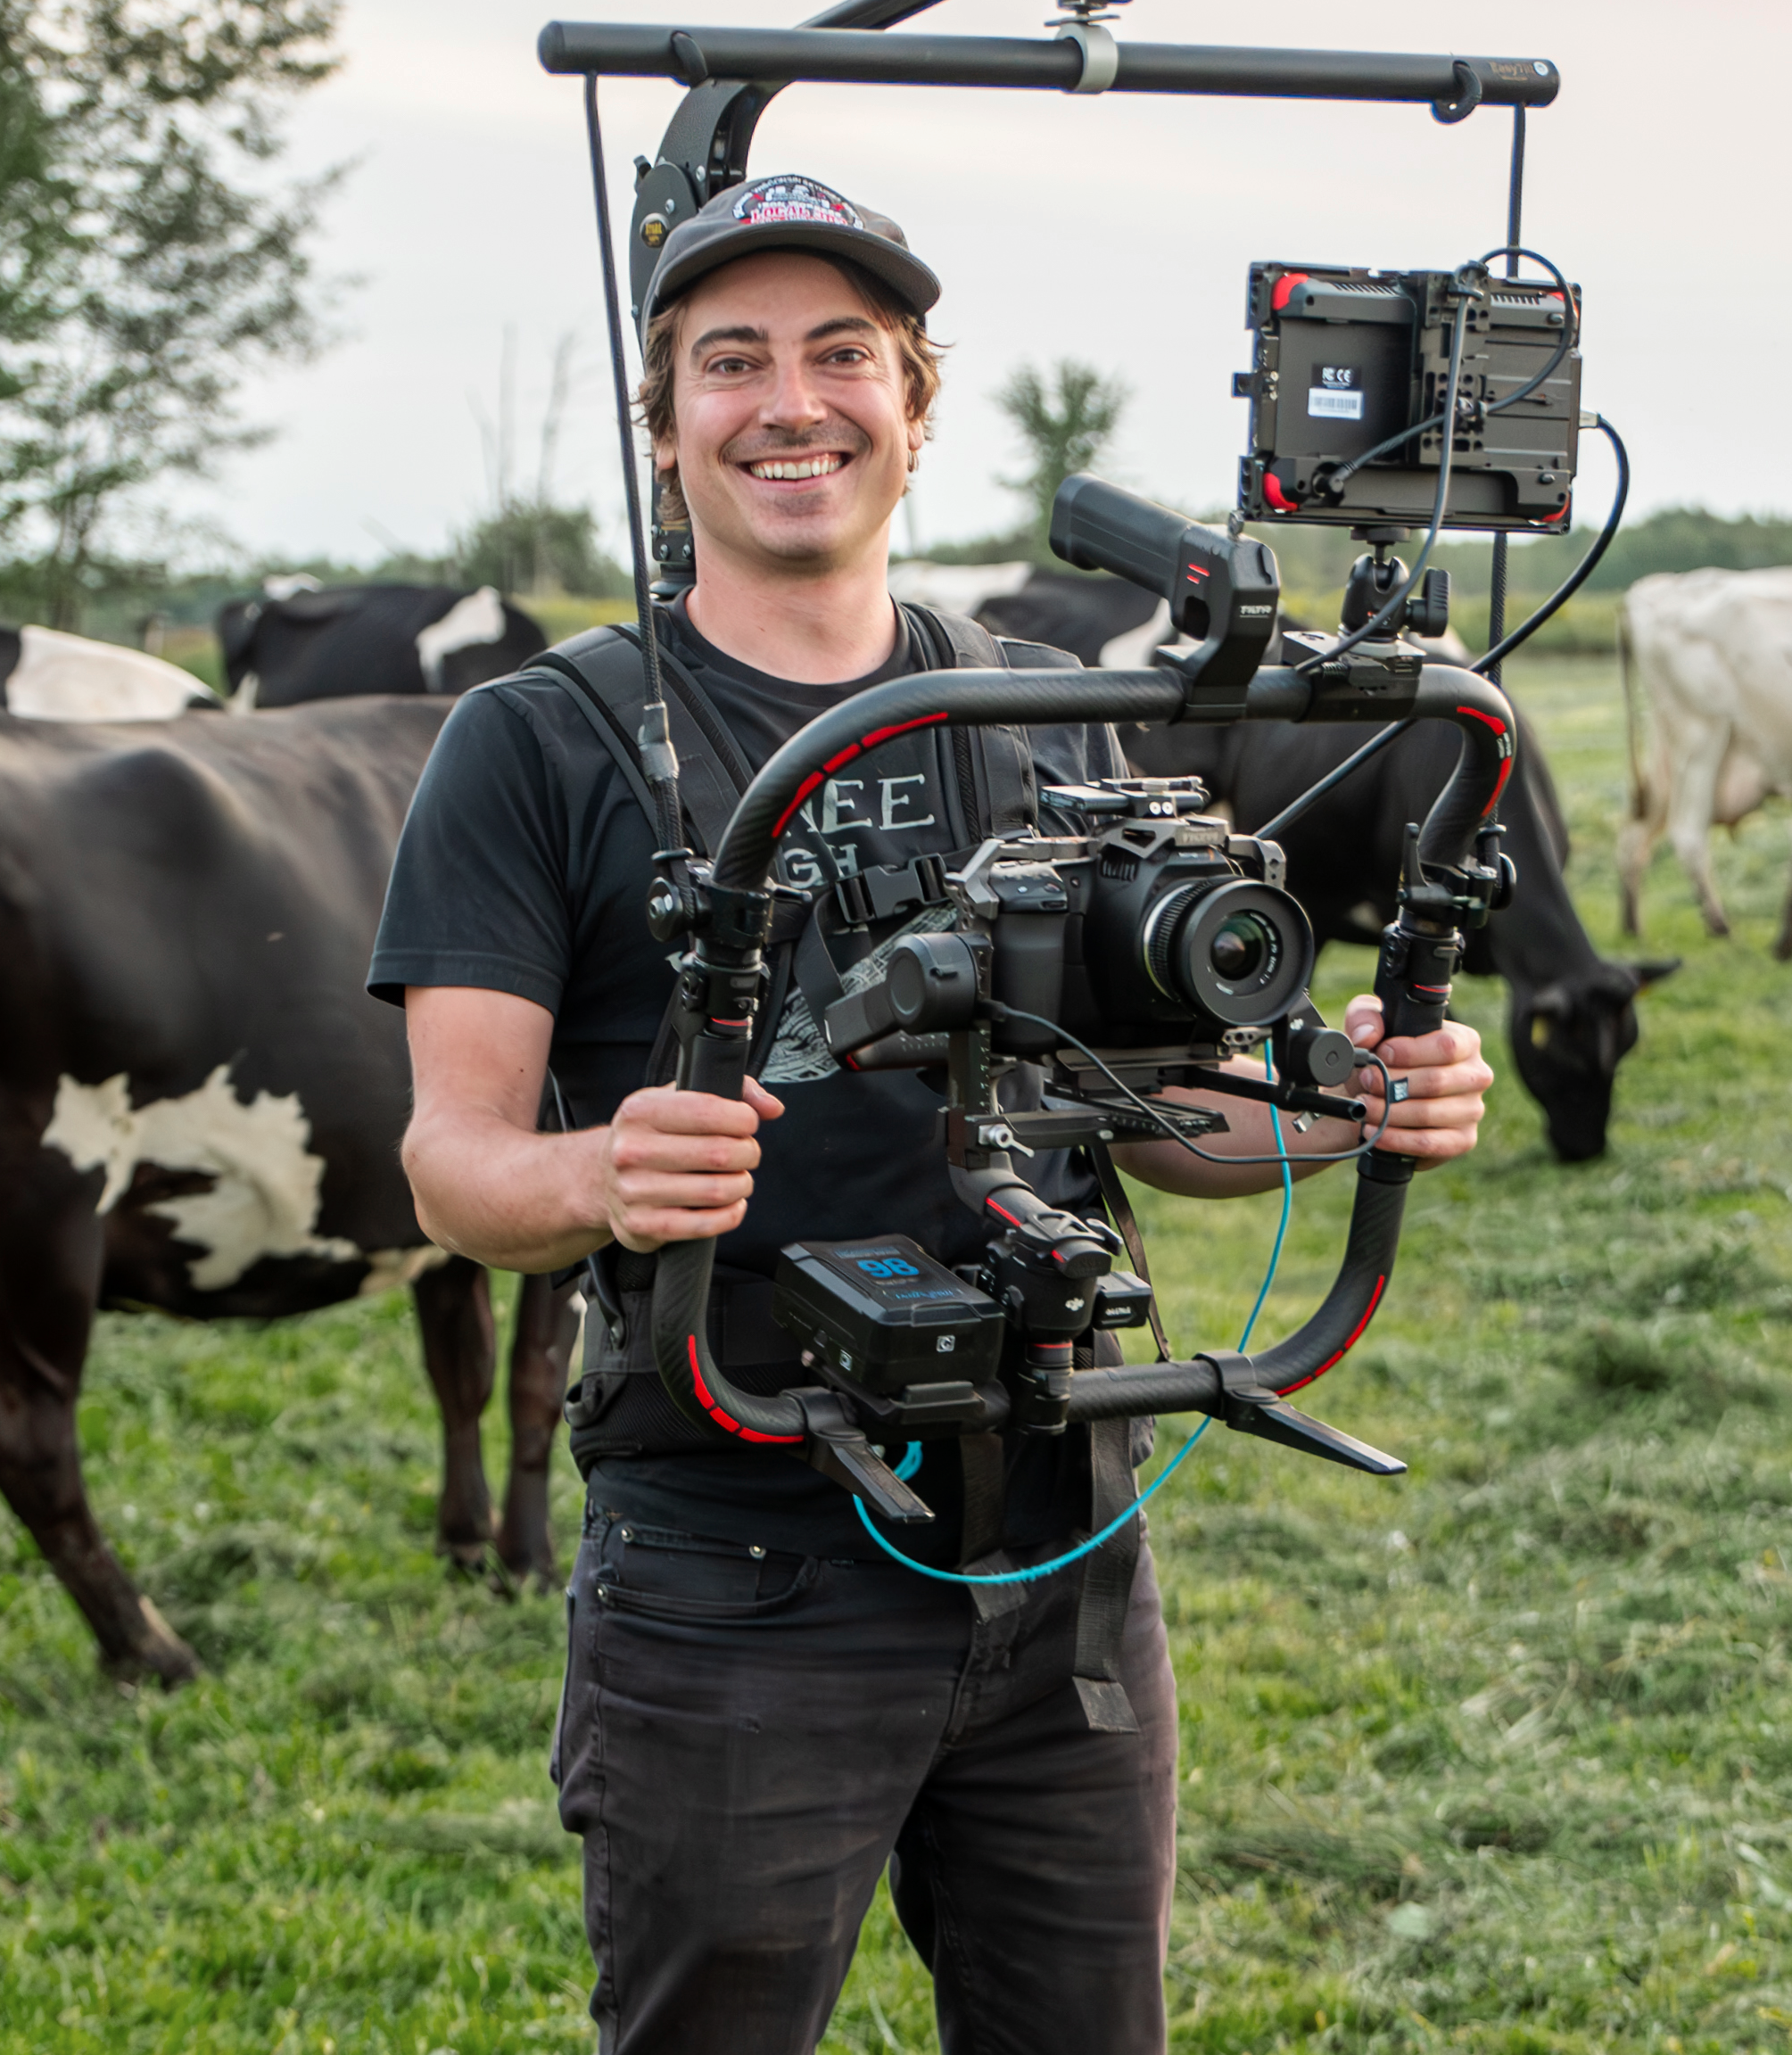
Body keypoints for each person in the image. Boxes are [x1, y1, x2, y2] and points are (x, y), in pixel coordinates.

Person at [367, 172, 1494, 2055]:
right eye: (730, 363)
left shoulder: (1037, 709)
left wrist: (1346, 1113)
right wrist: (604, 1171)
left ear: (915, 408)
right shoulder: (539, 737)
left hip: (1061, 1531)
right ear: (663, 434)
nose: (790, 402)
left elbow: (1149, 1123)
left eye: (844, 358)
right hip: (738, 1559)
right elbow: (454, 1161)